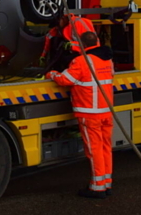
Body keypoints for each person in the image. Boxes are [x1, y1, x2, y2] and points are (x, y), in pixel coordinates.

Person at [47, 30, 115, 199]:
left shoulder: (82, 61)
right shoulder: (107, 60)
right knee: (105, 147)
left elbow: (65, 80)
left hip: (90, 114)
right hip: (106, 112)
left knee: (94, 150)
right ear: (97, 42)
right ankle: (106, 183)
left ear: (82, 45)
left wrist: (52, 73)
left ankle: (97, 188)